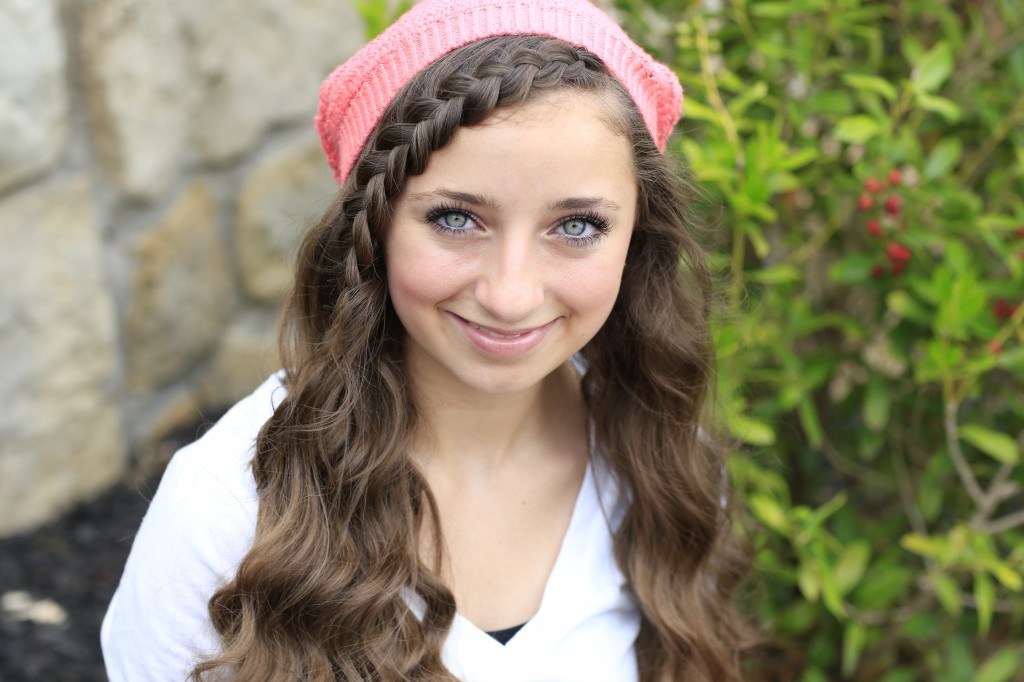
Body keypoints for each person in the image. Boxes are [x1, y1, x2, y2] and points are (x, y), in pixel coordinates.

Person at [101, 0, 753, 680]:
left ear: (635, 241)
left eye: (578, 226)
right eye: (454, 219)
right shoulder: (229, 510)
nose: (511, 294)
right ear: (374, 226)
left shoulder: (657, 464)